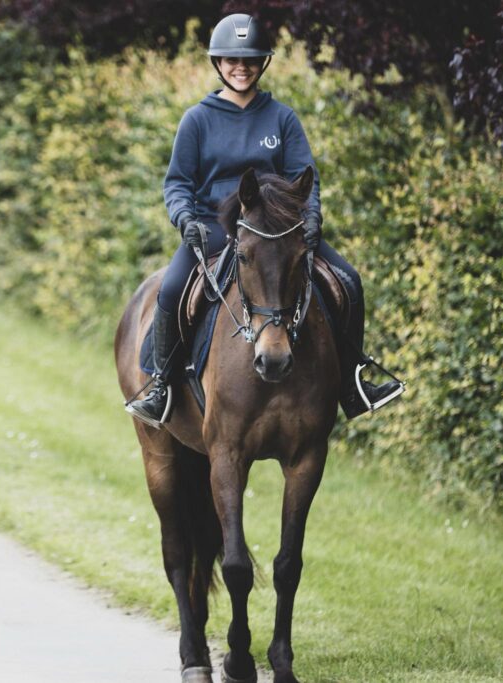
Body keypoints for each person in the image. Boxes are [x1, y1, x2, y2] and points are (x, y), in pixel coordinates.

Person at [126, 14, 404, 428]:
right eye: (232, 60)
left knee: (348, 280)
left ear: (263, 64)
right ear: (218, 63)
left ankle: (352, 380)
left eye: (251, 60)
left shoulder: (282, 118)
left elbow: (305, 178)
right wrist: (185, 219)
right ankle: (161, 386)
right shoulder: (197, 120)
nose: (242, 67)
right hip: (212, 229)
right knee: (169, 291)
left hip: (279, 233)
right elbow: (178, 183)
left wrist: (311, 219)